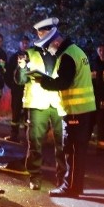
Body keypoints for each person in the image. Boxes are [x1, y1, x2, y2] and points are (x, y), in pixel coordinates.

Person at [36, 17, 96, 197]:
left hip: (75, 112)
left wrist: (43, 81)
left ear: (55, 41)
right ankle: (76, 186)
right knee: (78, 152)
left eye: (47, 45)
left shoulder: (67, 56)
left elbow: (63, 82)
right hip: (82, 110)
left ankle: (70, 187)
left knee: (72, 152)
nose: (48, 50)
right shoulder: (75, 51)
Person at [15, 37, 66, 191]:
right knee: (35, 142)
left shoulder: (62, 54)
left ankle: (63, 178)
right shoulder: (29, 54)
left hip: (58, 103)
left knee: (62, 142)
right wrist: (22, 66)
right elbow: (20, 80)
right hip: (37, 103)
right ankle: (35, 176)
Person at [4, 35, 30, 142]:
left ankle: (28, 137)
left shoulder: (32, 57)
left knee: (28, 114)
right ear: (20, 44)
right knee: (16, 112)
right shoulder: (14, 57)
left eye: (26, 43)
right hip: (17, 90)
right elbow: (8, 73)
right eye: (23, 43)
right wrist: (12, 86)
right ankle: (14, 135)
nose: (25, 45)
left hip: (29, 91)